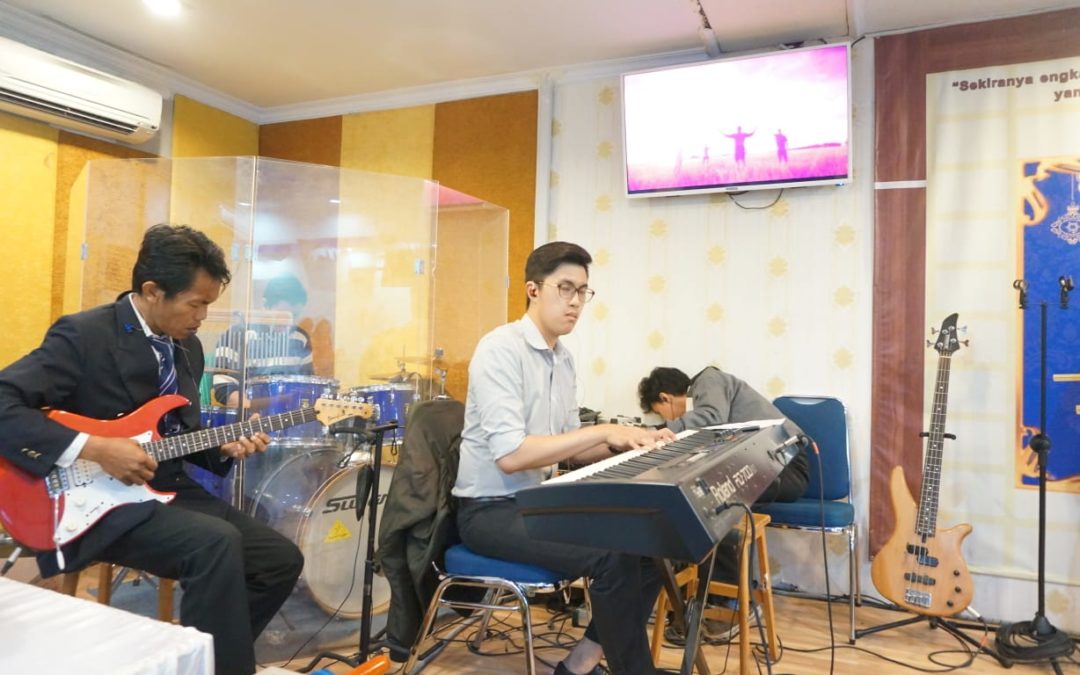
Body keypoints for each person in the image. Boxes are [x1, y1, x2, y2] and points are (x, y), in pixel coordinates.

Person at [0, 224, 304, 675]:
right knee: (216, 543)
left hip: (167, 489)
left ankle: (204, 661)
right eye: (196, 304)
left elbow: (176, 435)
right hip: (97, 500)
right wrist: (95, 447)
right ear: (151, 290)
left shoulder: (188, 348)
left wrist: (224, 447)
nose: (203, 316)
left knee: (279, 560)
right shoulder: (85, 335)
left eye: (209, 304)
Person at [453, 242, 675, 675]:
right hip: (488, 511)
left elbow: (570, 446)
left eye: (583, 291)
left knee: (654, 544)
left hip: (536, 504)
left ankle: (579, 664)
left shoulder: (563, 359)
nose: (576, 302)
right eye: (566, 288)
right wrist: (602, 431)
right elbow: (511, 455)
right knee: (612, 557)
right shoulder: (500, 349)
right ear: (533, 290)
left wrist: (630, 441)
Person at [638, 365, 809, 641]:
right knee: (697, 498)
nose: (670, 420)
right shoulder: (708, 394)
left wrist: (656, 431)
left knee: (715, 501)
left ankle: (729, 606)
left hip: (786, 465)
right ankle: (689, 602)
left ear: (666, 398)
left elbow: (710, 417)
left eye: (662, 414)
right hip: (771, 463)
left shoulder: (709, 378)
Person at [212, 273, 315, 406]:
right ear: (265, 305)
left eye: (294, 316)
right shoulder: (235, 336)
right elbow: (224, 389)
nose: (287, 323)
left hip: (289, 414)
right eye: (282, 315)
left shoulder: (300, 338)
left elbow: (307, 386)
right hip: (248, 414)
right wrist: (252, 408)